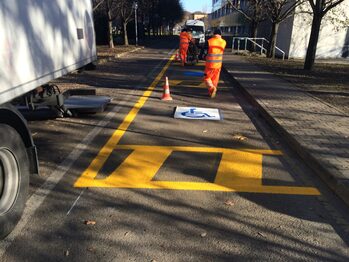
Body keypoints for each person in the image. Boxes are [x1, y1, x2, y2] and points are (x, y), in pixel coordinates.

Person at [203, 29, 226, 98]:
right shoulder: (224, 42)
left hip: (210, 64)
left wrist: (202, 56)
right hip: (218, 64)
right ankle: (212, 92)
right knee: (215, 79)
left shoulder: (209, 41)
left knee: (206, 77)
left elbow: (205, 50)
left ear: (214, 34)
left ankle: (212, 88)